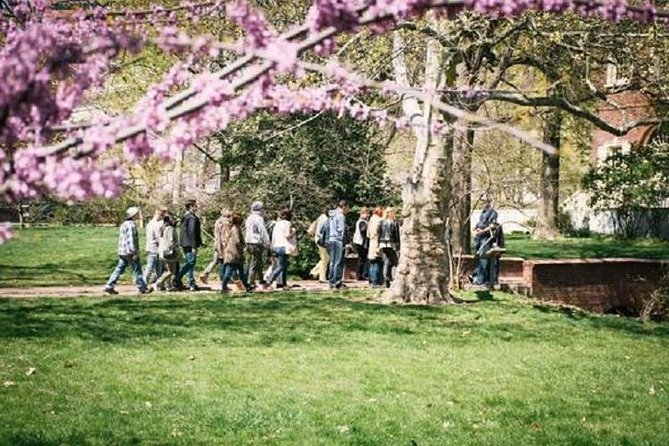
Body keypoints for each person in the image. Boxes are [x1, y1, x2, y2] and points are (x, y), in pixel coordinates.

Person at [103, 206, 152, 295]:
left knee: (119, 269)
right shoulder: (131, 225)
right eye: (137, 214)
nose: (138, 215)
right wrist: (134, 252)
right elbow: (131, 239)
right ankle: (142, 288)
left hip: (122, 251)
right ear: (133, 215)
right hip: (129, 252)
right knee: (137, 270)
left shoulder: (124, 224)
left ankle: (109, 286)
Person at [217, 212, 252, 293]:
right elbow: (237, 241)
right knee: (229, 271)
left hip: (234, 253)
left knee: (241, 271)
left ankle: (246, 285)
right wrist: (243, 246)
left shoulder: (234, 227)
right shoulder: (235, 228)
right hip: (233, 254)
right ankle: (224, 287)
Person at [173, 199, 202, 291]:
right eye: (195, 205)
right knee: (191, 262)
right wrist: (194, 245)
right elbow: (191, 232)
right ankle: (177, 279)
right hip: (190, 243)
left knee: (190, 263)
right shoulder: (191, 218)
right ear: (191, 206)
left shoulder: (185, 216)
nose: (197, 207)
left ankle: (191, 282)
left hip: (184, 243)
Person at [472, 195, 500, 287]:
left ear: (488, 202)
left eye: (484, 202)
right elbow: (479, 223)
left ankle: (481, 279)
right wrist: (475, 229)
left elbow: (492, 226)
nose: (483, 204)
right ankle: (477, 276)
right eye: (481, 202)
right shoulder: (482, 212)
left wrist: (482, 231)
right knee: (479, 257)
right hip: (480, 238)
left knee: (484, 257)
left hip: (487, 238)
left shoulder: (493, 213)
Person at [200, 207, 232, 285]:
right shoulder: (226, 223)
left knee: (215, 260)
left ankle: (205, 273)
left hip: (216, 243)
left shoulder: (218, 221)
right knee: (223, 262)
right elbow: (225, 236)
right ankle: (223, 279)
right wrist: (226, 246)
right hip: (222, 245)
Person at [245, 201, 271, 289]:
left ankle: (261, 278)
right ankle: (250, 281)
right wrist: (267, 242)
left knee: (257, 261)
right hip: (256, 242)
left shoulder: (249, 218)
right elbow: (262, 231)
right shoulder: (259, 218)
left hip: (248, 241)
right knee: (255, 262)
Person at [266, 208, 295, 289]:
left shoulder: (277, 224)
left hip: (276, 246)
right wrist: (293, 231)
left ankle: (283, 284)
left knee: (284, 266)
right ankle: (269, 281)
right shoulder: (287, 223)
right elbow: (287, 235)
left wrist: (272, 247)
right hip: (283, 246)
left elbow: (274, 237)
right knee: (281, 266)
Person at [154, 214, 179, 291]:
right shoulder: (170, 228)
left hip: (162, 252)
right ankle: (157, 283)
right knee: (171, 271)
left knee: (168, 270)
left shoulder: (162, 228)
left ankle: (168, 286)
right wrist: (176, 246)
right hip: (169, 252)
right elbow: (171, 241)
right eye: (174, 219)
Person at [327, 200, 349, 289]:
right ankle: (337, 282)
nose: (348, 210)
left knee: (332, 262)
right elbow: (341, 230)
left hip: (331, 239)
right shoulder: (340, 216)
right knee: (338, 262)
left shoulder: (332, 215)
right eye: (348, 207)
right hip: (338, 240)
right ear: (344, 207)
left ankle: (331, 281)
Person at [143, 206, 167, 284]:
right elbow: (158, 238)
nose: (163, 217)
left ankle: (159, 284)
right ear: (159, 214)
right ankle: (143, 283)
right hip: (154, 249)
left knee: (158, 268)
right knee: (150, 267)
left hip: (152, 248)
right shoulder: (155, 225)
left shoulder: (150, 223)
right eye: (162, 215)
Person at [378, 207, 400, 288]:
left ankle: (386, 279)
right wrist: (398, 246)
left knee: (386, 261)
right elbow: (397, 235)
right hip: (391, 243)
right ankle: (394, 278)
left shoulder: (381, 222)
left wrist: (378, 245)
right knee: (395, 262)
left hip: (383, 243)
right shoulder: (394, 222)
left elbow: (379, 233)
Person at [308, 206, 330, 282]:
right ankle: (322, 277)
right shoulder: (325, 219)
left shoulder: (320, 217)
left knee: (325, 258)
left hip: (317, 239)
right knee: (325, 258)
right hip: (322, 240)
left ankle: (314, 272)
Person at [367, 207, 384, 288]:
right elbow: (380, 233)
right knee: (377, 262)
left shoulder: (371, 220)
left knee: (372, 262)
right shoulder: (379, 220)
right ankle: (376, 281)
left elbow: (368, 234)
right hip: (377, 242)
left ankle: (371, 281)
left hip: (371, 242)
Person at [352, 207, 370, 281]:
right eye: (366, 213)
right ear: (362, 213)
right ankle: (361, 274)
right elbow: (363, 232)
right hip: (361, 242)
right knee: (362, 258)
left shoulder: (360, 221)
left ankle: (361, 274)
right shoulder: (362, 222)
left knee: (362, 258)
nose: (368, 215)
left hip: (358, 241)